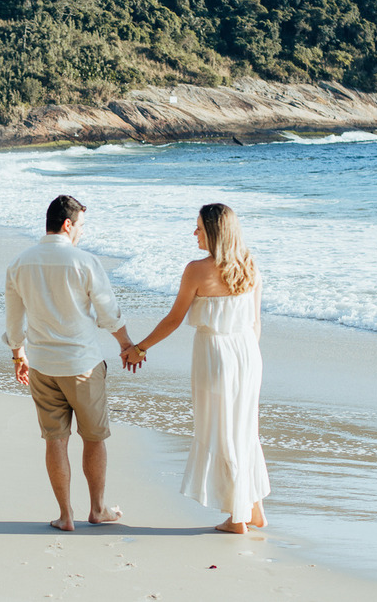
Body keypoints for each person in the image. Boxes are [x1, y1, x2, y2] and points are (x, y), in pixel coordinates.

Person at [125, 203, 270, 533]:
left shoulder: (196, 270)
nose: (194, 233)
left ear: (215, 233)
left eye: (199, 228)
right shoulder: (250, 266)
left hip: (216, 353)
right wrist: (246, 357)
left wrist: (140, 348)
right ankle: (254, 510)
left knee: (223, 431)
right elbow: (256, 323)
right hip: (247, 353)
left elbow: (174, 319)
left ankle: (237, 519)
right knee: (244, 429)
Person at [5, 194, 138, 532]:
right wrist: (127, 346)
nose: (82, 233)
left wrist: (18, 354)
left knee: (55, 440)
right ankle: (97, 509)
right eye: (81, 226)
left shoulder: (20, 263)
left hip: (43, 366)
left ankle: (65, 516)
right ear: (68, 225)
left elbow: (13, 320)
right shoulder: (84, 261)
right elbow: (108, 313)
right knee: (94, 438)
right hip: (82, 366)